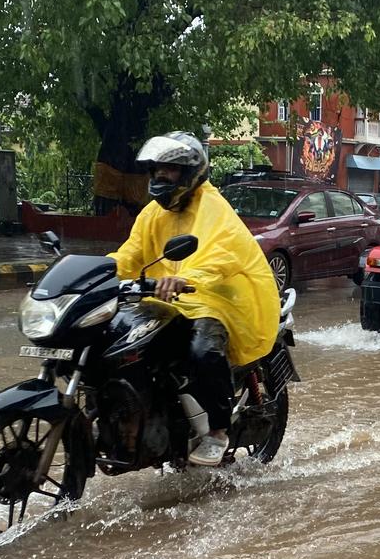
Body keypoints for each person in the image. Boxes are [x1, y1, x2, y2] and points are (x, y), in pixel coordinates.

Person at [108, 131, 280, 465]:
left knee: (203, 351)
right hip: (169, 300)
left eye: (169, 170)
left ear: (189, 173)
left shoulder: (212, 206)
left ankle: (216, 430)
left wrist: (186, 277)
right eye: (156, 168)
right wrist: (97, 272)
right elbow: (130, 254)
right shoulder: (153, 214)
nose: (161, 176)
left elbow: (217, 253)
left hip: (217, 297)